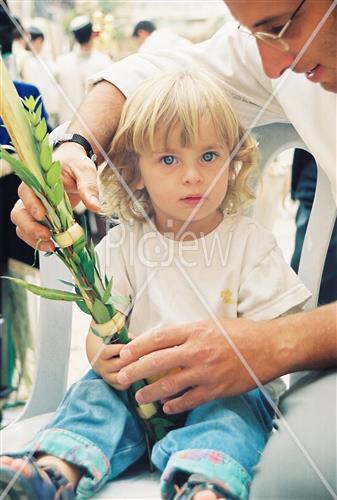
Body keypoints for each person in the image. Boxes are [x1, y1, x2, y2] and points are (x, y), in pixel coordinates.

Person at [9, 1, 337, 497]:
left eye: (209, 156)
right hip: (134, 390)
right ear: (133, 169)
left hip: (220, 392)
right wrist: (104, 358)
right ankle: (56, 469)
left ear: (234, 162)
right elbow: (104, 324)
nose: (192, 174)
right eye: (168, 158)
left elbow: (276, 333)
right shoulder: (125, 243)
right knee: (93, 397)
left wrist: (244, 358)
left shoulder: (248, 244)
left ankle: (206, 481)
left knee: (231, 414)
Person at [56, 15, 112, 124]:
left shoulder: (61, 62)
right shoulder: (105, 62)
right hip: (96, 126)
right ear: (92, 35)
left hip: (66, 126)